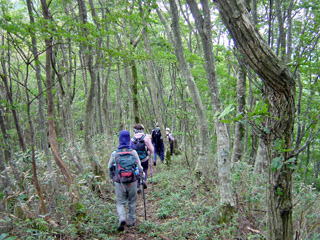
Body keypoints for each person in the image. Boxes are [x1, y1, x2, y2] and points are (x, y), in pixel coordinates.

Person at [108, 130, 143, 231]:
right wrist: (141, 175)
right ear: (129, 140)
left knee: (120, 202)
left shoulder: (115, 153)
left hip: (119, 181)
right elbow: (140, 167)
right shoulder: (133, 152)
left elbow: (109, 166)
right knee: (132, 201)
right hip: (132, 180)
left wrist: (112, 177)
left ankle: (122, 218)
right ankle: (131, 220)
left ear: (119, 139)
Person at [130, 123, 154, 192]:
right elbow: (151, 149)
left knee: (136, 170)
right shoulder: (146, 138)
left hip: (135, 159)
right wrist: (150, 152)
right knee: (145, 169)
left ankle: (138, 186)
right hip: (144, 158)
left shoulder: (132, 139)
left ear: (135, 130)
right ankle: (143, 180)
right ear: (142, 130)